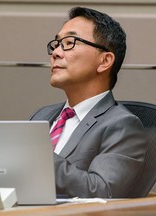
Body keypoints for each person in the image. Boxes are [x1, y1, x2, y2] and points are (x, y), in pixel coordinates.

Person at [30, 7, 148, 198]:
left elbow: (103, 190)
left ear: (105, 60)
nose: (56, 53)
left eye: (69, 42)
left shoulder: (122, 125)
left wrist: (37, 157)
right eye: (56, 44)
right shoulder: (41, 116)